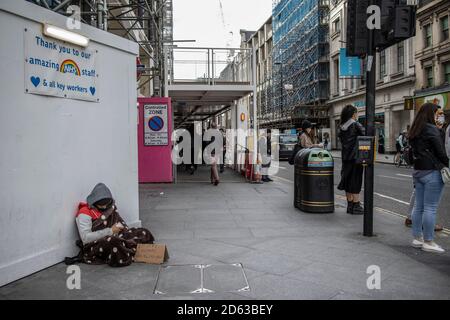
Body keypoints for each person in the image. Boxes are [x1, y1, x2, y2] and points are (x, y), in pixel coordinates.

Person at [74, 183, 154, 267]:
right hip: (95, 244)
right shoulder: (84, 213)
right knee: (114, 241)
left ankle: (128, 249)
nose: (104, 207)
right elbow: (85, 238)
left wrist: (122, 229)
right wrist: (110, 231)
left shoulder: (110, 207)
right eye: (101, 205)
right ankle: (130, 251)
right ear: (94, 202)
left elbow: (120, 223)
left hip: (117, 235)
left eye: (106, 204)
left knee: (142, 232)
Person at [409, 103, 449, 253]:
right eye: (437, 113)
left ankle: (417, 238)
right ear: (431, 113)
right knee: (430, 208)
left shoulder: (415, 129)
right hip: (432, 171)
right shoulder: (431, 129)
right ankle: (429, 241)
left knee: (418, 207)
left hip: (418, 171)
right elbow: (441, 153)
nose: (439, 116)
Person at [337, 105, 365, 215]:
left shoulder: (342, 126)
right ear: (353, 114)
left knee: (347, 181)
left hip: (345, 158)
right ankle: (357, 205)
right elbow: (366, 135)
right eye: (356, 113)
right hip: (355, 158)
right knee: (356, 181)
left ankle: (350, 205)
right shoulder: (355, 124)